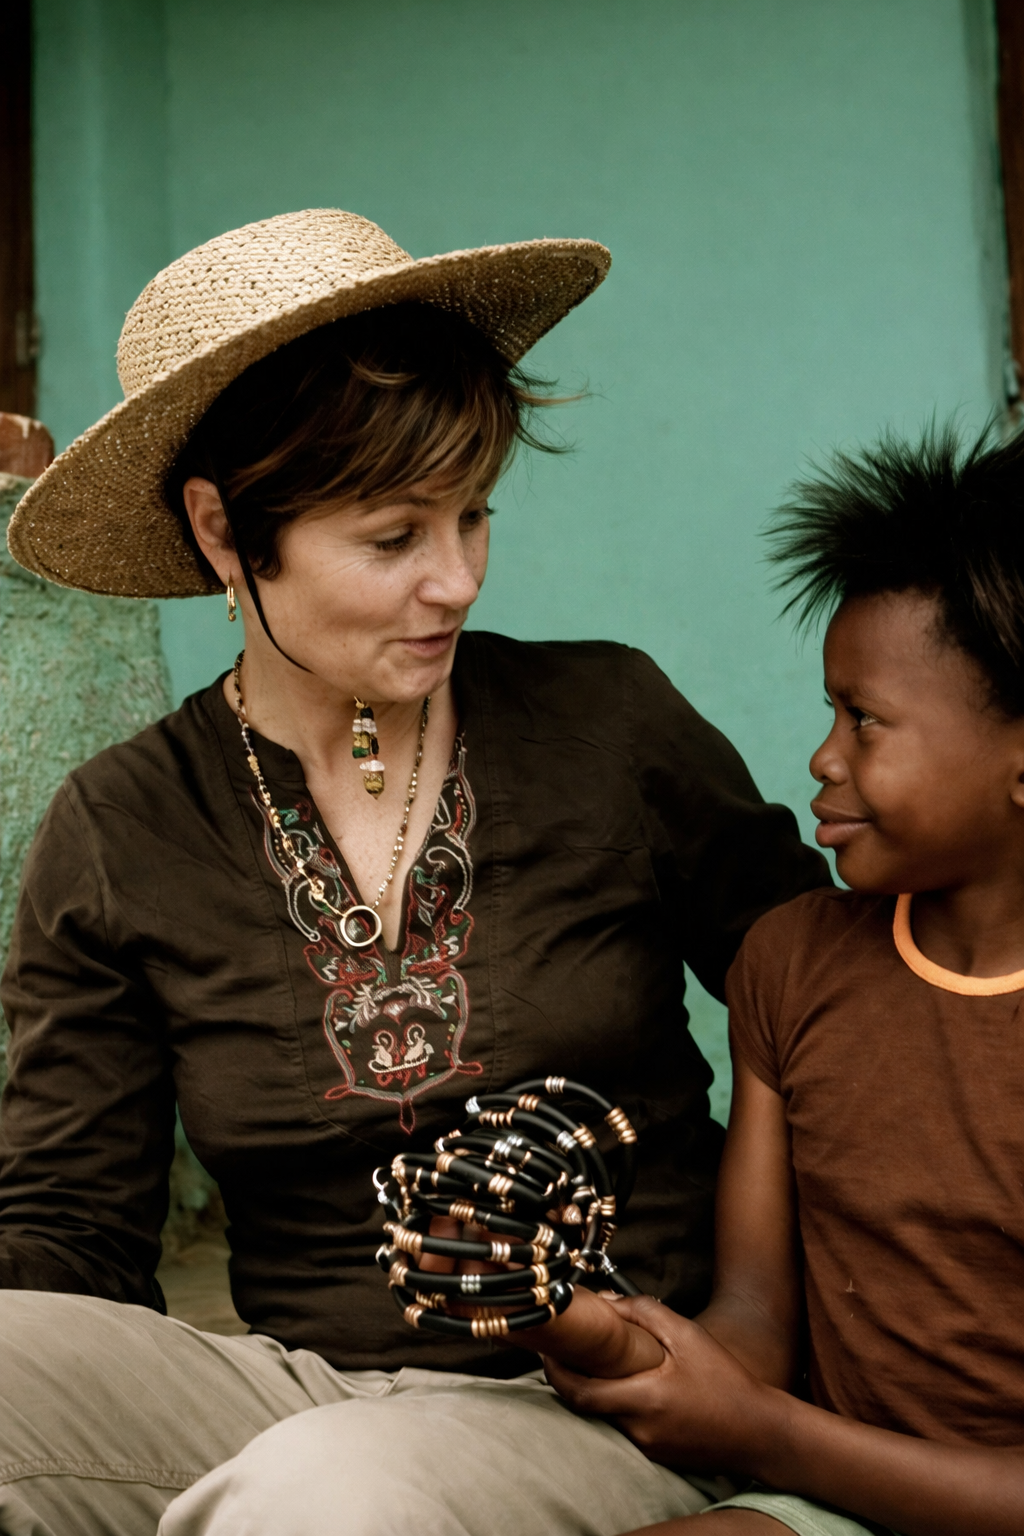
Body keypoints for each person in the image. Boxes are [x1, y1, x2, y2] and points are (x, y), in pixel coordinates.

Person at [0, 209, 827, 1536]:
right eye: (392, 540)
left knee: (322, 1497)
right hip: (289, 1400)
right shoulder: (121, 827)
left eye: (474, 515)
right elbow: (70, 1237)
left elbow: (832, 1011)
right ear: (222, 533)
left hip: (593, 1405)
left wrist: (756, 1329)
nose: (457, 580)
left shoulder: (609, 727)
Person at [544, 423, 1024, 1536]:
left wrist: (770, 1436)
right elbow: (757, 1318)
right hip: (839, 1504)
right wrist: (576, 1324)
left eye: (865, 721)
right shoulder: (794, 963)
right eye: (827, 709)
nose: (822, 756)